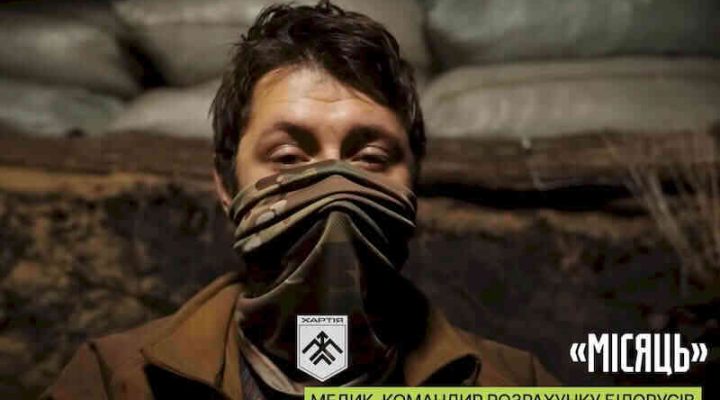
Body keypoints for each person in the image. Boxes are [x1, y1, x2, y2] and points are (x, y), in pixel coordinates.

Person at [43, 1, 559, 398]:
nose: (334, 185)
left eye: (370, 158)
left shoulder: (515, 382)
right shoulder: (115, 381)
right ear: (227, 184)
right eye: (289, 157)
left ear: (414, 182)